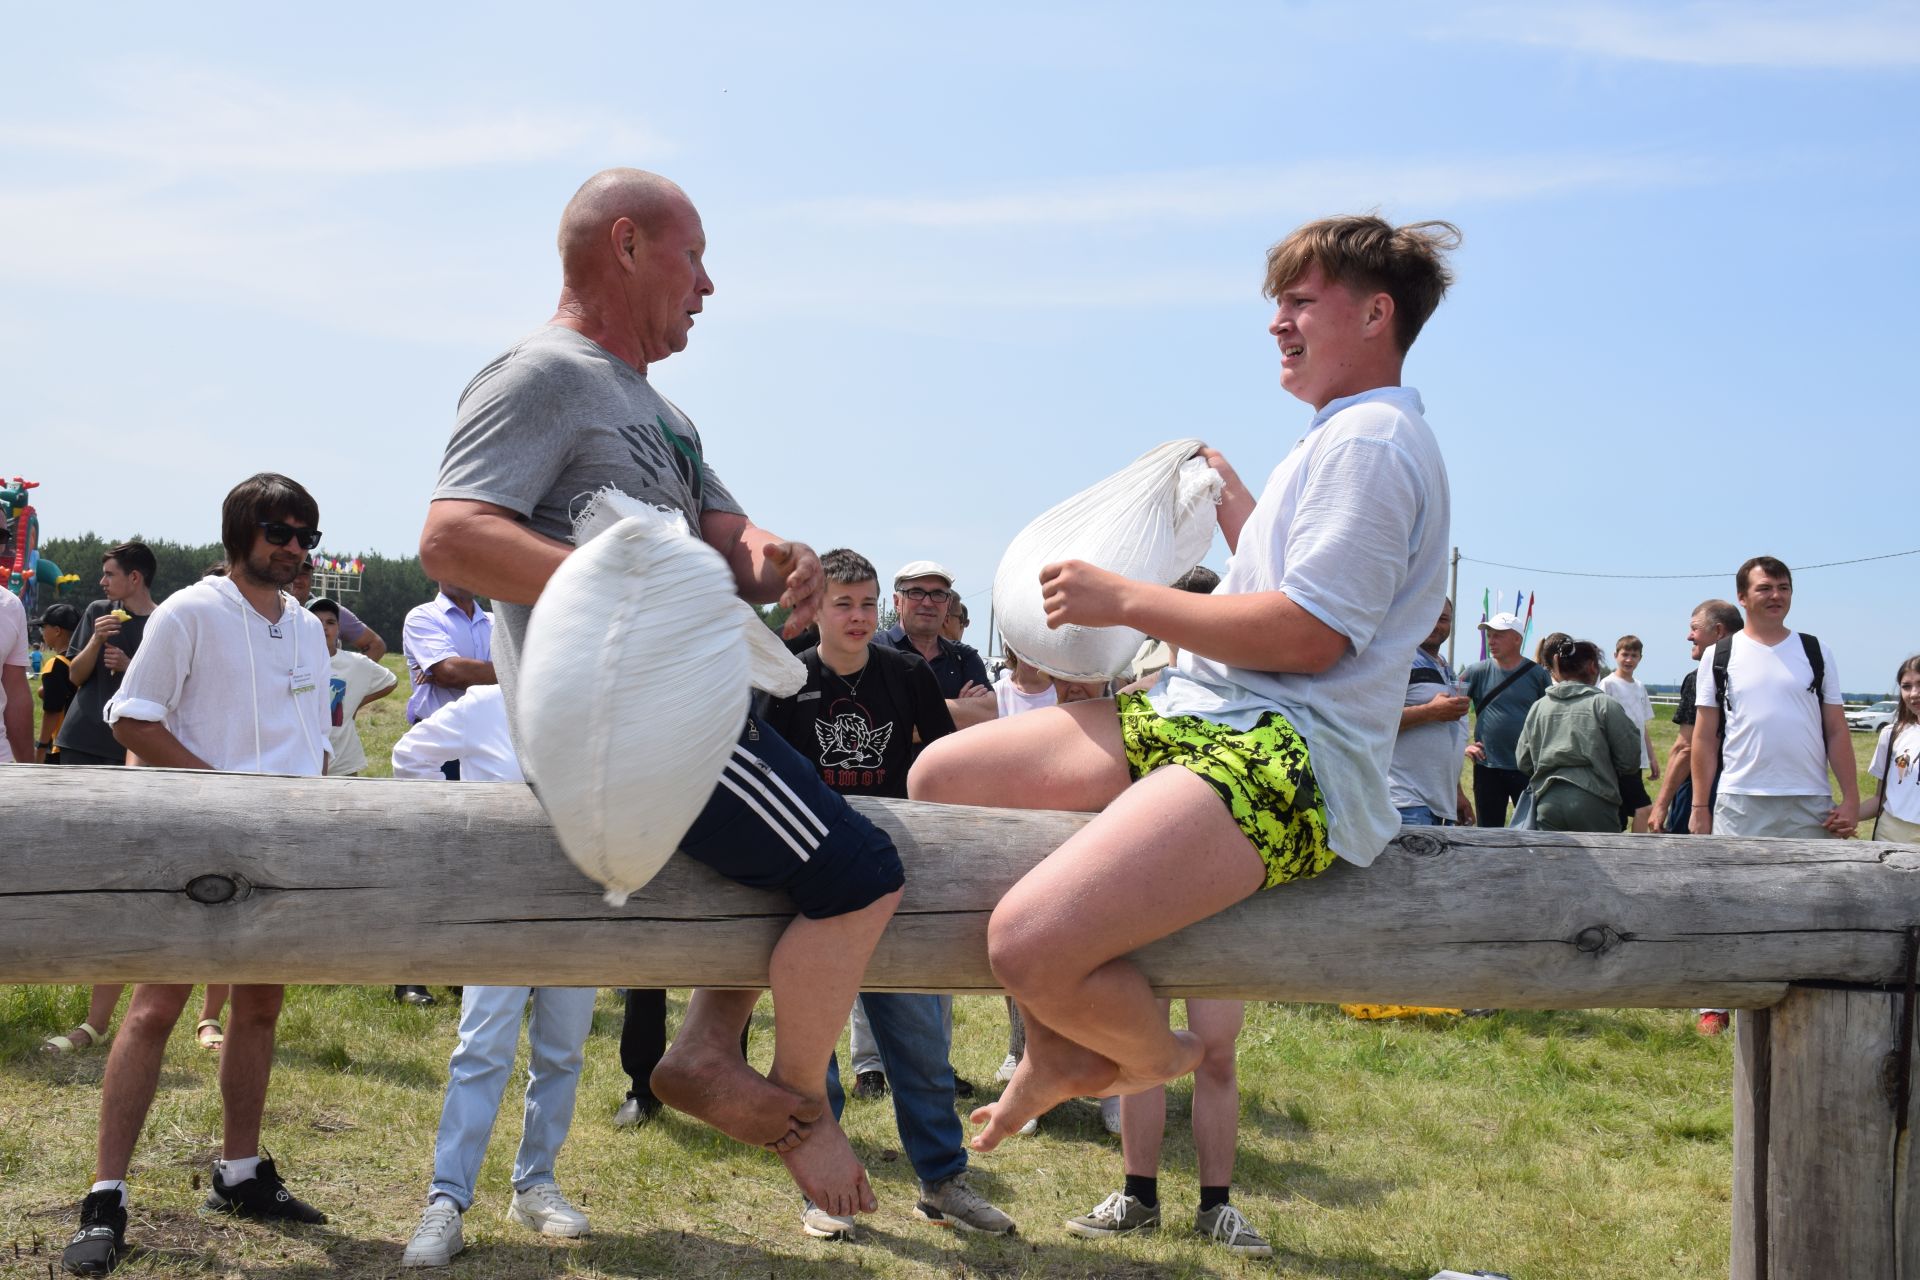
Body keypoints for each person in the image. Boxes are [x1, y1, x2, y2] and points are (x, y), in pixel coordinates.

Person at [909, 212, 1458, 1222]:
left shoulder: (1374, 442)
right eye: (1277, 304)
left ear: (1376, 313)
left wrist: (1126, 600)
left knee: (1024, 940)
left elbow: (1309, 636)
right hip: (1214, 714)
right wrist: (1240, 509)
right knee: (944, 778)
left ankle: (1143, 1049)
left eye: (1300, 301)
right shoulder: (1337, 438)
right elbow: (1293, 589)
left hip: (1289, 755)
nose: (1277, 324)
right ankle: (1074, 1027)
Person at [421, 167, 903, 1224]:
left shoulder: (663, 413)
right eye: (696, 255)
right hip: (627, 733)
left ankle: (706, 1048)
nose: (711, 285)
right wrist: (623, 590)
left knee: (818, 850)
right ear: (628, 244)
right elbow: (452, 533)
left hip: (688, 718)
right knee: (865, 872)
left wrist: (771, 552)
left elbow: (724, 539)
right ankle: (786, 1099)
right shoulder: (538, 373)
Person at [61, 474, 332, 1278]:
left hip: (282, 849)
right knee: (153, 1009)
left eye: (306, 537)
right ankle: (105, 1195)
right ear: (241, 531)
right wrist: (219, 790)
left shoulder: (308, 631)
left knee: (258, 1009)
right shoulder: (187, 611)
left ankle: (240, 1174)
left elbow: (312, 737)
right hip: (196, 845)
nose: (294, 549)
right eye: (280, 532)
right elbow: (131, 715)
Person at [762, 548, 1013, 1239]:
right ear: (815, 611)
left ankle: (943, 1181)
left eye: (869, 603)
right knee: (813, 1052)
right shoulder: (787, 680)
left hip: (895, 875)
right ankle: (818, 1186)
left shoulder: (907, 674)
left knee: (922, 1048)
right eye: (844, 603)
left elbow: (943, 766)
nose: (859, 616)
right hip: (810, 883)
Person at [389, 683, 597, 1267]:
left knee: (562, 1052)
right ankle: (446, 1201)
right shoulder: (486, 703)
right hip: (500, 904)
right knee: (481, 1049)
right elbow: (409, 756)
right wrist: (464, 831)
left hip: (581, 905)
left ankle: (535, 1183)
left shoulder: (604, 700)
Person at [1690, 557, 1856, 842]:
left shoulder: (1816, 651)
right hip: (1740, 800)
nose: (1776, 595)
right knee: (1738, 886)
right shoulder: (1718, 655)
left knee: (1816, 887)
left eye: (1784, 587)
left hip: (1810, 800)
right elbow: (1705, 736)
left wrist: (1851, 799)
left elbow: (1837, 730)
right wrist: (1699, 806)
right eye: (1764, 588)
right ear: (1742, 597)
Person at [1515, 639, 1642, 832]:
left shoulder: (1539, 706)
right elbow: (1630, 760)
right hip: (1596, 801)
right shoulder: (1604, 705)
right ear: (1592, 666)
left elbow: (1523, 761)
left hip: (1547, 802)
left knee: (1552, 861)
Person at [56, 543, 159, 768]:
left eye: (109, 575)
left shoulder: (163, 621)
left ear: (134, 577)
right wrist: (96, 640)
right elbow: (75, 677)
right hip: (80, 740)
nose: (102, 582)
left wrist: (129, 665)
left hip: (130, 747)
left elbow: (167, 685)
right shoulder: (98, 611)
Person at [1647, 600, 1743, 834]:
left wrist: (1661, 804)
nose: (1689, 637)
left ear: (1718, 631)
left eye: (1695, 628)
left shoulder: (1701, 677)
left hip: (1701, 792)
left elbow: (1685, 748)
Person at [1460, 613, 1551, 827]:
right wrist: (1464, 746)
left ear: (1517, 639)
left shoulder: (1537, 674)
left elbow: (1549, 717)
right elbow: (1447, 711)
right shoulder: (1476, 672)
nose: (1491, 641)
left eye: (1499, 635)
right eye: (1489, 635)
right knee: (1488, 832)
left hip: (1527, 768)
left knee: (1529, 830)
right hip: (1487, 766)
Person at [1389, 598, 1473, 826]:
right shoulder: (1400, 660)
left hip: (1437, 804)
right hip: (1404, 801)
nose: (1436, 624)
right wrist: (1430, 711)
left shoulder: (1445, 667)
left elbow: (1448, 736)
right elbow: (1373, 722)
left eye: (1443, 619)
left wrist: (1457, 792)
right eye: (1429, 615)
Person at [884, 561, 994, 730]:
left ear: (948, 604)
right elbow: (878, 721)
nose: (928, 603)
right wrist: (961, 709)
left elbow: (988, 715)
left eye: (937, 594)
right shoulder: (874, 651)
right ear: (897, 602)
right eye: (916, 592)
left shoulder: (963, 657)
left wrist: (907, 711)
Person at [308, 597, 398, 776]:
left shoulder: (355, 663)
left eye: (331, 622)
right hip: (305, 758)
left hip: (343, 761)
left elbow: (391, 681)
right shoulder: (296, 661)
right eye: (317, 622)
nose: (324, 627)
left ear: (339, 629)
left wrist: (355, 702)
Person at [401, 582, 495, 732]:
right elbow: (451, 673)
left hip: (491, 733)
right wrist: (512, 672)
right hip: (440, 735)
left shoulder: (494, 622)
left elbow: (451, 672)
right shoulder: (422, 616)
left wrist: (463, 670)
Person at [1599, 635, 1659, 831]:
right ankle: (1638, 852)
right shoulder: (1608, 684)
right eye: (1625, 654)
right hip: (1617, 759)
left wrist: (1651, 757)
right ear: (1616, 655)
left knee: (1622, 813)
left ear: (1640, 658)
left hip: (1637, 759)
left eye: (1634, 655)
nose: (1629, 660)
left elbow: (1642, 726)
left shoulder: (1640, 687)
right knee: (1643, 808)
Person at [1859, 655, 1920, 844]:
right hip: (1890, 835)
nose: (1913, 693)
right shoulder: (1892, 734)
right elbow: (1880, 799)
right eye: (1906, 686)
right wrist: (1842, 818)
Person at [290, 559, 387, 661]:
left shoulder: (331, 611)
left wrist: (347, 675)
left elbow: (376, 645)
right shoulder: (272, 609)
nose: (297, 579)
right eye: (292, 572)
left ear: (312, 578)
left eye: (303, 574)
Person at [34, 602, 79, 763]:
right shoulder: (86, 661)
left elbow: (52, 710)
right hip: (87, 742)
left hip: (61, 746)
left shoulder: (55, 665)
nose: (42, 632)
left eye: (43, 627)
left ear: (57, 630)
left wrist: (41, 747)